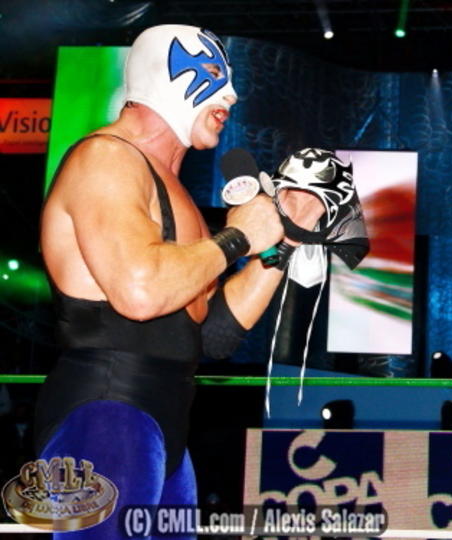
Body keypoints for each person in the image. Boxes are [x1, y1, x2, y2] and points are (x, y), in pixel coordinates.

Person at [34, 25, 323, 538]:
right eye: (213, 73)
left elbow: (210, 333)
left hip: (163, 425)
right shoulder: (106, 158)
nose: (231, 95)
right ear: (162, 74)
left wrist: (286, 242)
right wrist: (236, 238)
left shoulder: (173, 187)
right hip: (107, 413)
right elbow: (139, 292)